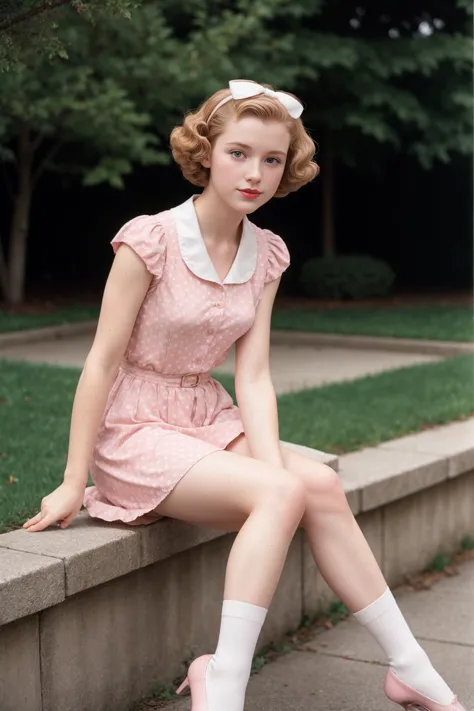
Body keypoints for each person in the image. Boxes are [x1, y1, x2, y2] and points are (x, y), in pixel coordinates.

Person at [23, 80, 464, 711]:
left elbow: (252, 375)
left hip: (206, 416)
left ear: (287, 167)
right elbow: (100, 363)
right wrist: (73, 479)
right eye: (238, 153)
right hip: (134, 429)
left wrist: (264, 458)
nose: (254, 173)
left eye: (271, 159)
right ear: (206, 152)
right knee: (283, 488)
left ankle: (409, 666)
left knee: (318, 485)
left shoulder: (268, 255)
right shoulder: (150, 239)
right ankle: (224, 682)